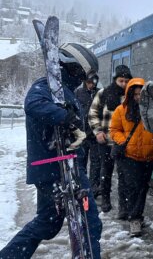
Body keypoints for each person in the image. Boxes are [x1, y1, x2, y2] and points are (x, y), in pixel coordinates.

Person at [0, 43, 102, 259]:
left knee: (48, 223)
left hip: (56, 167)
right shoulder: (46, 85)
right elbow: (33, 104)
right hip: (56, 167)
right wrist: (67, 118)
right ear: (75, 66)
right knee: (89, 222)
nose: (87, 78)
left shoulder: (64, 90)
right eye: (87, 73)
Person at [110, 77, 153, 237]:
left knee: (143, 188)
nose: (138, 97)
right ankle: (134, 219)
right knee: (133, 187)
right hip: (129, 156)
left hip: (149, 156)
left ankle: (137, 214)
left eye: (141, 94)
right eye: (135, 94)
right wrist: (123, 142)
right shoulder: (121, 110)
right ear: (129, 95)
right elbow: (114, 130)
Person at [88, 64, 132, 216]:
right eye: (121, 81)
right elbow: (92, 113)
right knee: (105, 171)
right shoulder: (104, 93)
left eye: (127, 81)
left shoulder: (131, 96)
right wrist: (98, 132)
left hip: (124, 143)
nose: (124, 84)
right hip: (106, 141)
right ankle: (105, 199)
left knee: (124, 174)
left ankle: (124, 206)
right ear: (115, 80)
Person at [75, 70, 101, 196]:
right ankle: (82, 185)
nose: (91, 85)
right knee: (81, 161)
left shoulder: (100, 93)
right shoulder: (78, 93)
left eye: (93, 82)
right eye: (89, 82)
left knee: (96, 162)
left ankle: (93, 187)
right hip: (82, 134)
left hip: (95, 134)